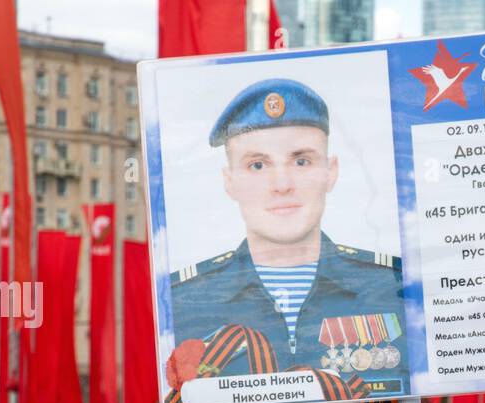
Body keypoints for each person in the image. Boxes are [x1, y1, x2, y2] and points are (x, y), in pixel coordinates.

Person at [167, 79, 404, 384]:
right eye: (257, 165)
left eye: (301, 161)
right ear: (229, 181)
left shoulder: (392, 285)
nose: (281, 185)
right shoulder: (184, 300)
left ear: (330, 172)